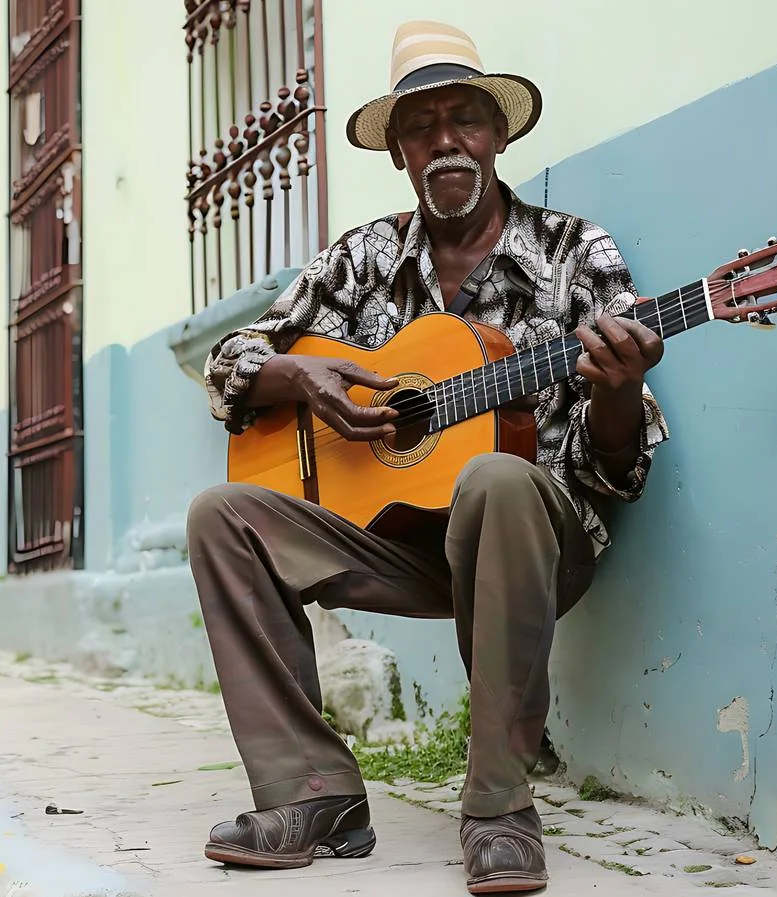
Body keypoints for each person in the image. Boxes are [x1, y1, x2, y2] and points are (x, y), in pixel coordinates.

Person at [185, 19, 670, 894]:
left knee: (493, 474)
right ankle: (315, 793)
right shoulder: (362, 260)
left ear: (498, 134)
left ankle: (498, 806)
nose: (445, 139)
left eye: (465, 119)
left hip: (534, 542)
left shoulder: (575, 253)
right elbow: (229, 367)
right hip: (402, 544)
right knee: (222, 516)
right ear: (401, 152)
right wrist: (298, 374)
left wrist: (617, 392)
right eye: (421, 126)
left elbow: (617, 477)